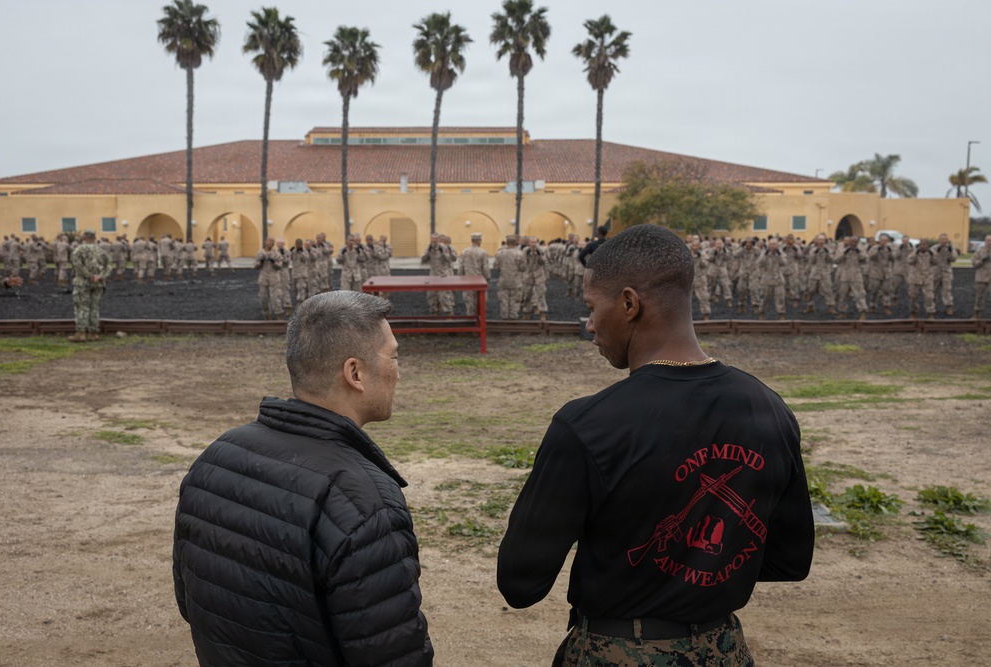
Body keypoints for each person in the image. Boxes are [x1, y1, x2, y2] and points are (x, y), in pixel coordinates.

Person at [497, 224, 814, 666]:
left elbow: (520, 582)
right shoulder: (769, 409)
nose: (588, 325)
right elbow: (790, 559)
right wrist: (700, 570)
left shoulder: (588, 425)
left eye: (592, 307)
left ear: (629, 304)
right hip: (723, 651)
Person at [173, 291, 433, 667]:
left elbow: (191, 602)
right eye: (393, 356)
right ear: (355, 373)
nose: (399, 369)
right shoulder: (362, 502)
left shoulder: (216, 458)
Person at [68, 229, 111, 342]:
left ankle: (81, 333)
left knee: (82, 307)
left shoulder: (78, 250)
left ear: (83, 237)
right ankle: (94, 333)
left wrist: (90, 276)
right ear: (94, 238)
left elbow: (78, 266)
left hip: (83, 283)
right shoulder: (101, 251)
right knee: (95, 308)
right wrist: (100, 276)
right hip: (99, 284)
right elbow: (109, 266)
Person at [459, 232, 491, 317]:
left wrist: (461, 278)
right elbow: (485, 268)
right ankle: (480, 320)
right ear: (479, 241)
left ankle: (471, 320)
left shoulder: (464, 252)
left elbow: (461, 267)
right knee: (481, 302)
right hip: (480, 281)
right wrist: (487, 279)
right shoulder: (482, 252)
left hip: (468, 281)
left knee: (469, 303)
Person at [972, 235, 991, 319]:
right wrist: (982, 260)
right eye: (988, 241)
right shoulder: (979, 251)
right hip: (981, 277)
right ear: (985, 241)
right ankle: (977, 314)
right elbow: (974, 263)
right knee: (979, 297)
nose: (989, 243)